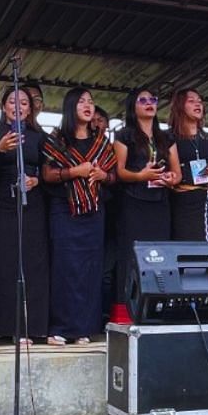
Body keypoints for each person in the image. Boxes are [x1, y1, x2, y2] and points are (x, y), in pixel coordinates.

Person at [41, 87, 116, 344]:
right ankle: (60, 328)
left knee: (90, 270)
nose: (88, 105)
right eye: (81, 101)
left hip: (94, 212)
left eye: (91, 102)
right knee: (65, 267)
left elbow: (114, 176)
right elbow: (47, 175)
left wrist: (104, 176)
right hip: (65, 210)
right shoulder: (57, 138)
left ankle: (83, 328)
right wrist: (76, 171)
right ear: (70, 107)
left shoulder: (102, 142)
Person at [0, 85, 48, 347]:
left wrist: (36, 180)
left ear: (30, 109)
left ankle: (24, 327)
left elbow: (50, 169)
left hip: (32, 202)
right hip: (4, 201)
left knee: (31, 263)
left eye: (24, 103)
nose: (18, 106)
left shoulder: (38, 136)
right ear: (3, 107)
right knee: (1, 262)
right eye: (12, 101)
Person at [112, 87, 175, 319]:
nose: (150, 103)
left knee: (159, 256)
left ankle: (156, 310)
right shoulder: (124, 135)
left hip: (160, 202)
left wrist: (170, 178)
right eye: (143, 100)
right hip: (133, 203)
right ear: (133, 107)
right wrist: (141, 176)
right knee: (131, 257)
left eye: (153, 99)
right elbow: (119, 172)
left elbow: (177, 172)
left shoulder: (166, 137)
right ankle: (125, 311)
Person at [166, 87, 208, 243]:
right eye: (191, 101)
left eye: (200, 101)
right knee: (181, 245)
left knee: (206, 245)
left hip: (204, 199)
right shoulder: (169, 136)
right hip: (178, 199)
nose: (198, 104)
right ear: (180, 106)